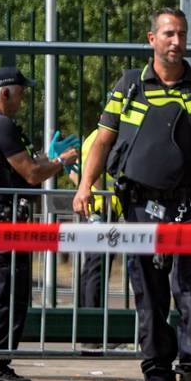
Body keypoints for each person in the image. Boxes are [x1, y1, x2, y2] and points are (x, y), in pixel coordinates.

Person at [73, 7, 191, 381]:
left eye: (182, 34)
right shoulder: (131, 85)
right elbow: (104, 138)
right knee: (149, 301)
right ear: (152, 38)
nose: (176, 41)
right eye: (168, 33)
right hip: (140, 209)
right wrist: (85, 185)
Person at [0, 67, 79, 381]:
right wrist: (60, 161)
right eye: (20, 92)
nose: (23, 98)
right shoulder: (0, 124)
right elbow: (30, 174)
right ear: (4, 93)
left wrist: (46, 156)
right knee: (7, 292)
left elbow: (14, 166)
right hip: (3, 219)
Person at [74, 126, 123, 308]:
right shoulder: (102, 138)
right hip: (102, 210)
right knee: (98, 267)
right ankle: (92, 315)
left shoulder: (93, 137)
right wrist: (108, 200)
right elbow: (92, 170)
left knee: (92, 266)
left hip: (98, 210)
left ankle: (85, 313)